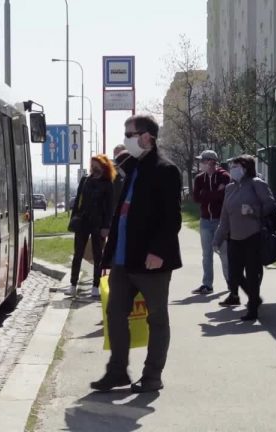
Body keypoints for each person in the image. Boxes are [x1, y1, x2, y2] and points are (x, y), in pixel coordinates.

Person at [91, 115, 182, 393]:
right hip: (122, 259)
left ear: (147, 137)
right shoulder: (128, 168)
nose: (126, 138)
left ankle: (152, 376)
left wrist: (158, 251)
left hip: (150, 260)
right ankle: (117, 371)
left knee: (156, 317)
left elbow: (171, 219)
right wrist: (107, 258)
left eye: (130, 134)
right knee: (115, 313)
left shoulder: (165, 170)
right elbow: (121, 214)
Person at [212, 155, 276, 321]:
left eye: (236, 166)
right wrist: (217, 239)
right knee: (234, 274)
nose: (232, 169)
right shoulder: (230, 188)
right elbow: (224, 217)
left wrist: (253, 211)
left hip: (253, 236)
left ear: (246, 168)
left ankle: (252, 309)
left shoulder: (256, 184)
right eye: (231, 166)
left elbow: (270, 205)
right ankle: (255, 298)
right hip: (234, 238)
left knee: (252, 274)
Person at [66, 154, 117, 298]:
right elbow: (78, 201)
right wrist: (74, 218)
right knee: (78, 254)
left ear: (103, 166)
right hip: (83, 222)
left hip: (99, 224)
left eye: (96, 165)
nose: (93, 168)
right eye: (92, 165)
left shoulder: (107, 183)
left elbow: (109, 207)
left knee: (97, 255)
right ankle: (73, 285)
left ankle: (95, 286)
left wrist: (107, 226)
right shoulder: (85, 180)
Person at [191, 150, 231, 298]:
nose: (200, 163)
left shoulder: (224, 176)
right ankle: (207, 285)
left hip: (221, 221)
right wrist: (214, 193)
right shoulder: (199, 178)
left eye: (202, 161)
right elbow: (196, 198)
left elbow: (224, 196)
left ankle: (230, 283)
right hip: (205, 220)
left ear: (210, 162)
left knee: (224, 253)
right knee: (206, 255)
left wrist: (206, 195)